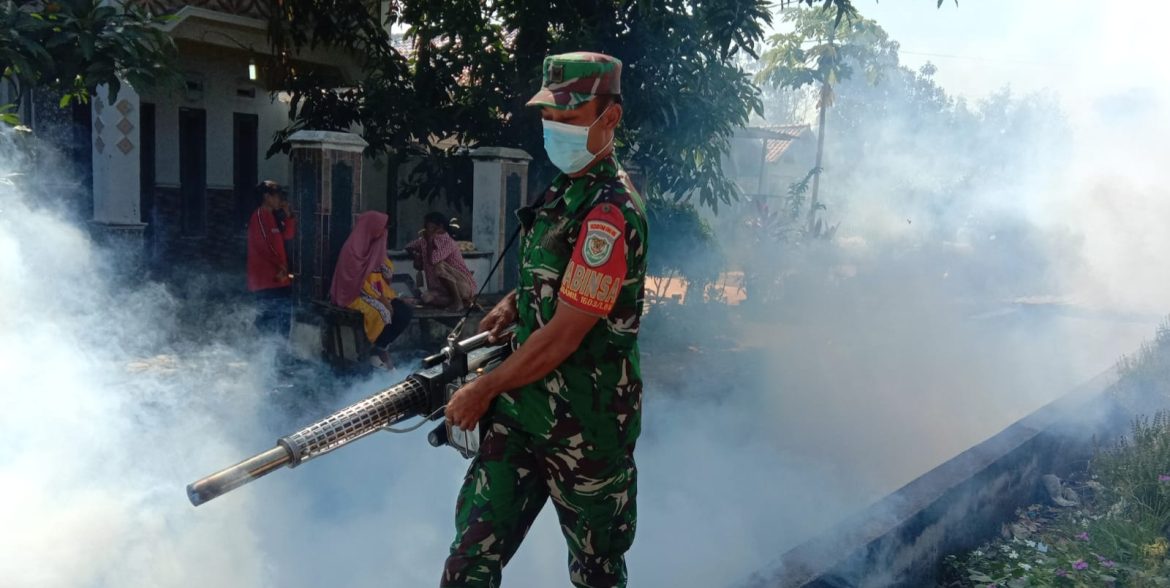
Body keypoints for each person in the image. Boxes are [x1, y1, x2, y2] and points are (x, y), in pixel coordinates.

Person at [440, 52, 649, 587]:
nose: (555, 129)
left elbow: (563, 335)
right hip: (523, 412)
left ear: (610, 118)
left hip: (586, 424)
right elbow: (554, 280)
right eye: (549, 117)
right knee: (470, 559)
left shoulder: (609, 211)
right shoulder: (564, 191)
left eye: (570, 119)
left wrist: (484, 388)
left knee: (596, 572)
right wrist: (516, 301)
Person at [330, 210, 414, 369]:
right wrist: (382, 300)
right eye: (381, 228)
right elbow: (358, 283)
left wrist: (383, 262)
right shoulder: (352, 250)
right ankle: (375, 355)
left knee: (404, 312)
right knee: (382, 312)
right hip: (353, 294)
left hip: (378, 294)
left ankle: (380, 348)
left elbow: (387, 274)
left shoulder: (376, 245)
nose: (384, 232)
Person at [246, 180, 296, 338]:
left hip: (279, 277)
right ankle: (261, 350)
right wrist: (280, 266)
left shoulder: (275, 217)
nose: (280, 200)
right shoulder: (260, 215)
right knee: (268, 317)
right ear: (266, 197)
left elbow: (287, 235)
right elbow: (265, 245)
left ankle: (279, 354)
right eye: (277, 196)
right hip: (266, 278)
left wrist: (289, 217)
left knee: (284, 316)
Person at [404, 212, 477, 311]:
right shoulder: (423, 241)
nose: (425, 227)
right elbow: (409, 246)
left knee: (438, 265)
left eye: (428, 225)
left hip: (462, 286)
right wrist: (416, 257)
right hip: (440, 289)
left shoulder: (448, 242)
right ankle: (463, 302)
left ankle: (458, 301)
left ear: (439, 226)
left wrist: (430, 241)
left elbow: (434, 260)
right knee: (426, 298)